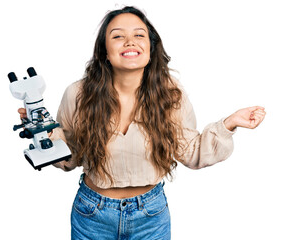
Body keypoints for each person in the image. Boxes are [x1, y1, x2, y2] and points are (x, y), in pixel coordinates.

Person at [18, 6, 266, 240]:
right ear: (105, 50)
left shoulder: (170, 94)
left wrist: (229, 124)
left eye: (139, 35)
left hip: (150, 215)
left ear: (150, 47)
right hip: (92, 214)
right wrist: (46, 136)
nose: (130, 42)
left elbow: (192, 152)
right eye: (118, 36)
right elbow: (71, 158)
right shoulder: (78, 94)